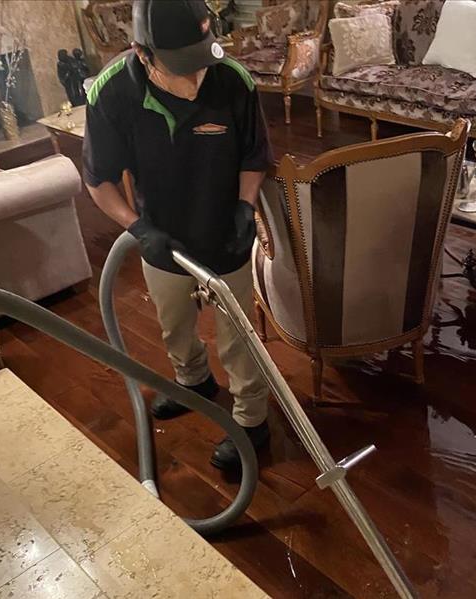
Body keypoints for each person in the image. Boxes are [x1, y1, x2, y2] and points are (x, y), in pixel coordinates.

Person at [82, 0, 272, 470]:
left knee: (238, 334)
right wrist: (137, 228)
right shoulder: (111, 95)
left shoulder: (232, 79)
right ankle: (194, 382)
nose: (196, 80)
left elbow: (254, 155)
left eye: (201, 64)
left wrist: (246, 209)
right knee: (175, 323)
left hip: (224, 227)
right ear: (142, 54)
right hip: (161, 232)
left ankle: (252, 421)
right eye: (182, 69)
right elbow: (99, 180)